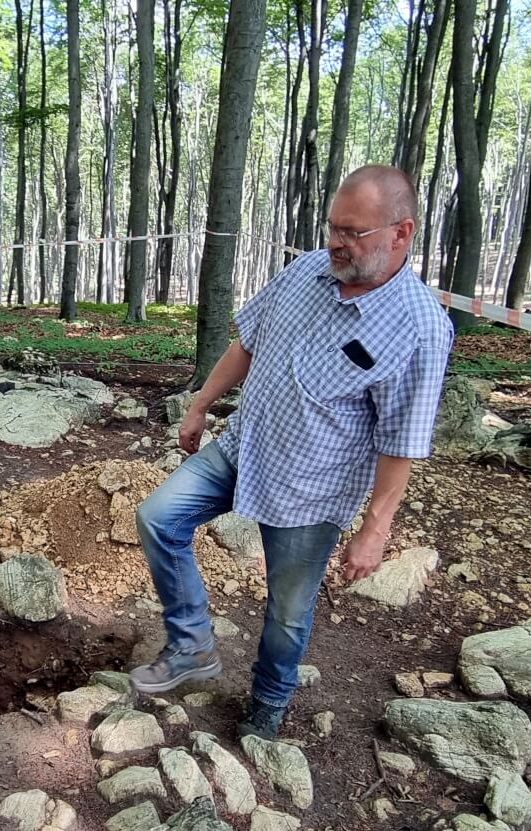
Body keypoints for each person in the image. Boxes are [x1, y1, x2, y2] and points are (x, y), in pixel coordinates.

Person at [127, 164, 454, 740]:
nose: (336, 242)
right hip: (245, 446)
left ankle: (268, 706)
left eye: (354, 232)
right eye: (333, 226)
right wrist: (201, 403)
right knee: (159, 517)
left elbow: (401, 441)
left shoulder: (420, 327)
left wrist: (375, 530)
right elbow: (248, 343)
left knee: (285, 611)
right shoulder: (306, 271)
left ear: (401, 234)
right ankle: (192, 644)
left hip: (313, 485)